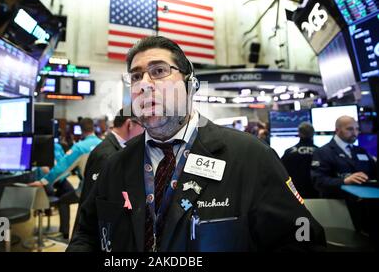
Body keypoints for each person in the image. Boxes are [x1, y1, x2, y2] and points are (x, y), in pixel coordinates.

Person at [67, 36, 325, 252]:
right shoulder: (116, 165)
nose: (144, 84)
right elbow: (86, 235)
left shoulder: (250, 157)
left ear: (190, 85)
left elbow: (302, 240)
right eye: (136, 77)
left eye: (158, 71)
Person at [28, 118, 102, 239]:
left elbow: (61, 167)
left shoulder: (79, 147)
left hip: (87, 191)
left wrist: (43, 181)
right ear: (92, 128)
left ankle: (65, 234)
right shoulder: (104, 143)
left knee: (64, 200)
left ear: (81, 130)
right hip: (105, 192)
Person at [79, 109, 144, 205]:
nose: (144, 132)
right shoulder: (107, 155)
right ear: (129, 124)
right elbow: (96, 201)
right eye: (143, 126)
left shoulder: (119, 149)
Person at [311, 115, 377, 198]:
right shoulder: (322, 152)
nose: (355, 133)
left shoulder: (361, 151)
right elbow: (319, 182)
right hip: (337, 203)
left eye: (357, 129)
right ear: (337, 130)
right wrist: (344, 181)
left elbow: (374, 174)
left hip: (365, 203)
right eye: (350, 129)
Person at [281, 122, 318, 198]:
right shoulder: (320, 152)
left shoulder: (289, 152)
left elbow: (282, 173)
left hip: (295, 194)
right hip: (316, 194)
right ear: (313, 134)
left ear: (299, 134)